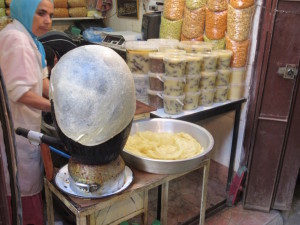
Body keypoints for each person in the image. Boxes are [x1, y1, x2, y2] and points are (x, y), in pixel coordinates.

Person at [0, 0, 54, 224]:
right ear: (26, 9)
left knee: (28, 184)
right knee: (22, 190)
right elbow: (20, 93)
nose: (48, 21)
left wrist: (66, 95)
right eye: (41, 13)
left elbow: (41, 82)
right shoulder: (16, 39)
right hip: (16, 131)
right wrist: (55, 107)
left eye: (51, 15)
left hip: (26, 125)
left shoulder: (30, 39)